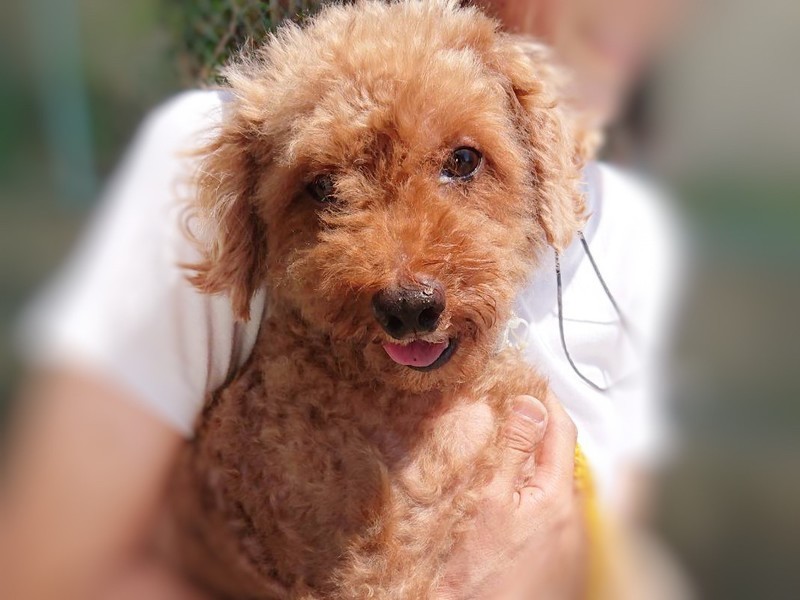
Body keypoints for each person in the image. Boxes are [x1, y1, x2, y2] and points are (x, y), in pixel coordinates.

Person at [0, 0, 687, 598]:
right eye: (326, 193)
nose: (405, 280)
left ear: (544, 161)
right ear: (249, 220)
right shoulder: (193, 152)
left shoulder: (638, 233)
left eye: (461, 164)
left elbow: (622, 538)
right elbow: (41, 573)